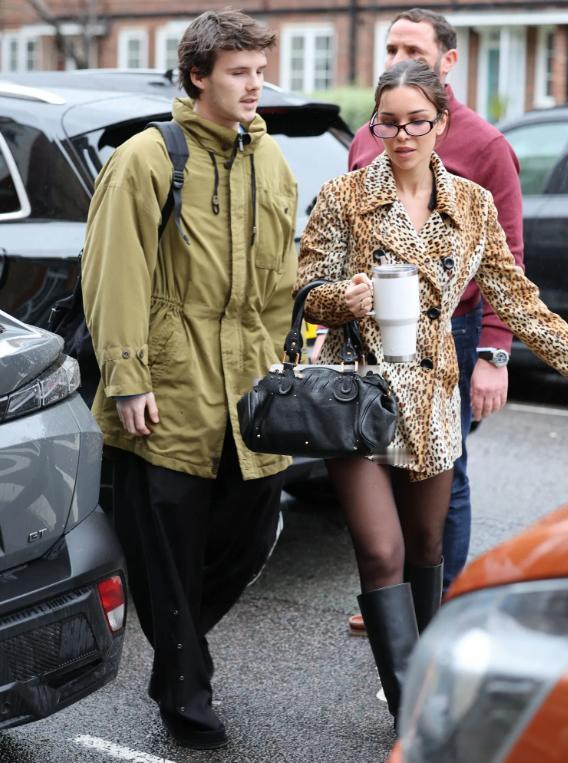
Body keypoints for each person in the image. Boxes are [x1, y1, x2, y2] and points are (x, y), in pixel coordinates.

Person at [297, 59, 568, 726]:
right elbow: (304, 288)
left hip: (433, 393)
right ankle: (410, 708)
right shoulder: (344, 196)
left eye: (417, 121)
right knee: (381, 550)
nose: (403, 135)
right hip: (358, 392)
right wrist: (341, 299)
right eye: (388, 122)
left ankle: (423, 678)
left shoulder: (471, 204)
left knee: (425, 549)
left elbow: (518, 299)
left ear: (442, 123)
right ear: (375, 124)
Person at [82, 10, 297, 750]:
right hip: (168, 390)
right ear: (198, 75)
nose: (255, 85)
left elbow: (278, 283)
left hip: (249, 391)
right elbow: (113, 275)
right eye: (240, 72)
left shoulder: (271, 161)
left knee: (252, 532)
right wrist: (128, 377)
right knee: (167, 551)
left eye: (260, 70)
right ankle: (186, 691)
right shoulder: (145, 158)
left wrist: (282, 368)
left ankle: (179, 647)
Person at [347, 8, 524, 606]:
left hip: (453, 328)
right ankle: (390, 594)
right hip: (370, 332)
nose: (399, 60)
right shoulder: (368, 136)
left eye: (413, 50)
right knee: (378, 451)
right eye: (391, 49)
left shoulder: (486, 145)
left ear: (448, 62)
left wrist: (494, 354)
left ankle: (441, 598)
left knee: (447, 464)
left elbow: (508, 260)